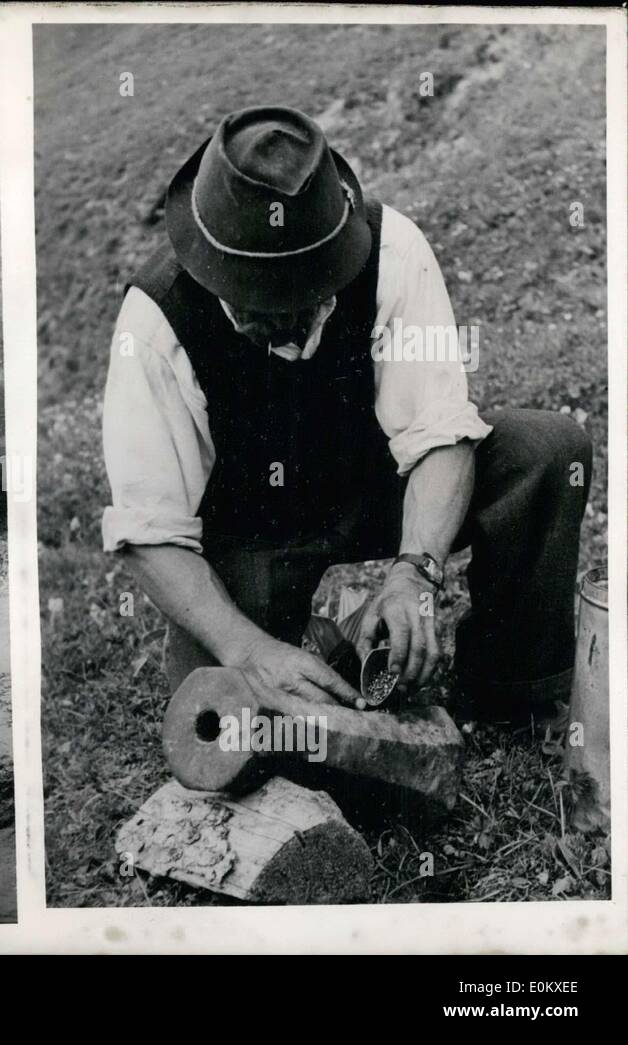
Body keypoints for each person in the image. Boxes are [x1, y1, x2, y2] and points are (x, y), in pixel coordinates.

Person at [102, 105, 593, 721]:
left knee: (544, 450)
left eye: (301, 293)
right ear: (211, 268)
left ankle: (510, 693)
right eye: (256, 299)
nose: (282, 322)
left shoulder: (393, 250)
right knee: (239, 725)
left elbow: (440, 431)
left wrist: (415, 573)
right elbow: (148, 532)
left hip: (371, 489)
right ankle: (289, 645)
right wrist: (247, 649)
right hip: (251, 533)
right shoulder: (155, 321)